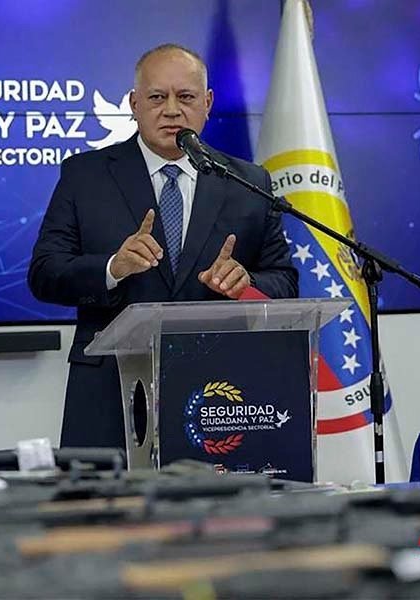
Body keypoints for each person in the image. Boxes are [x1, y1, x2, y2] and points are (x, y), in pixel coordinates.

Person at [29, 44, 298, 449]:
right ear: (134, 104)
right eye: (157, 97)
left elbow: (285, 282)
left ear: (207, 104)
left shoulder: (248, 183)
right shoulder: (85, 177)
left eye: (186, 97)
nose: (171, 110)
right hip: (109, 393)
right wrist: (111, 269)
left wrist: (245, 283)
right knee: (101, 513)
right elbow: (44, 274)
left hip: (220, 393)